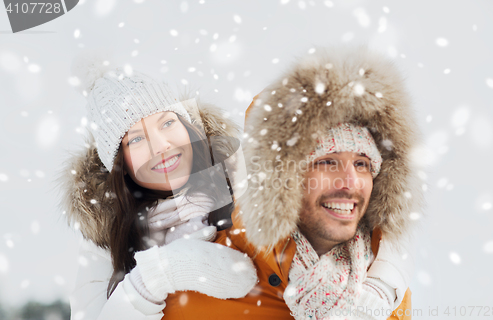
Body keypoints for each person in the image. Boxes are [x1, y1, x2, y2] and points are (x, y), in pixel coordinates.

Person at [159, 46, 420, 320]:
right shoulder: (203, 284)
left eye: (362, 164)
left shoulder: (380, 292)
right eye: (327, 162)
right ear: (279, 179)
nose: (351, 182)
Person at [59, 59, 257, 320]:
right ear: (122, 165)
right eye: (137, 139)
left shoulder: (244, 184)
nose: (161, 146)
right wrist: (157, 275)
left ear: (187, 127)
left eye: (167, 124)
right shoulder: (107, 240)